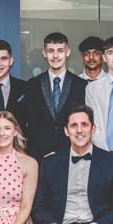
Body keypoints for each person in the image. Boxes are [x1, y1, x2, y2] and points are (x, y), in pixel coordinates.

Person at [24, 32, 88, 160]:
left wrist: (65, 150)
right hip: (39, 155)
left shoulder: (80, 85)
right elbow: (32, 122)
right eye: (50, 51)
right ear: (44, 53)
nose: (55, 56)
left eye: (60, 50)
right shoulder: (33, 84)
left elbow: (79, 121)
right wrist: (47, 150)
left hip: (70, 153)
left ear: (67, 52)